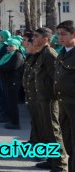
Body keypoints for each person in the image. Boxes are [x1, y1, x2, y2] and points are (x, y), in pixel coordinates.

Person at [33, 27, 68, 171]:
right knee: (47, 131)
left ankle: (60, 165)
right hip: (43, 97)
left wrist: (55, 97)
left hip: (50, 99)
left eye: (36, 36)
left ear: (45, 39)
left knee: (53, 131)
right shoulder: (42, 53)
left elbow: (57, 77)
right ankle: (51, 159)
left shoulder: (49, 54)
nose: (33, 39)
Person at [54, 20, 75, 172]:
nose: (60, 37)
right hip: (63, 103)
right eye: (58, 34)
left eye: (64, 34)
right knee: (68, 143)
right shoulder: (62, 52)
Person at [0, 38, 25, 130]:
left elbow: (12, 66)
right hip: (8, 81)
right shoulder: (10, 55)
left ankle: (15, 123)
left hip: (13, 82)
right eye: (8, 46)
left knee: (13, 103)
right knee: (8, 101)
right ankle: (9, 118)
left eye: (11, 46)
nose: (8, 47)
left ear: (16, 46)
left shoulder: (18, 55)